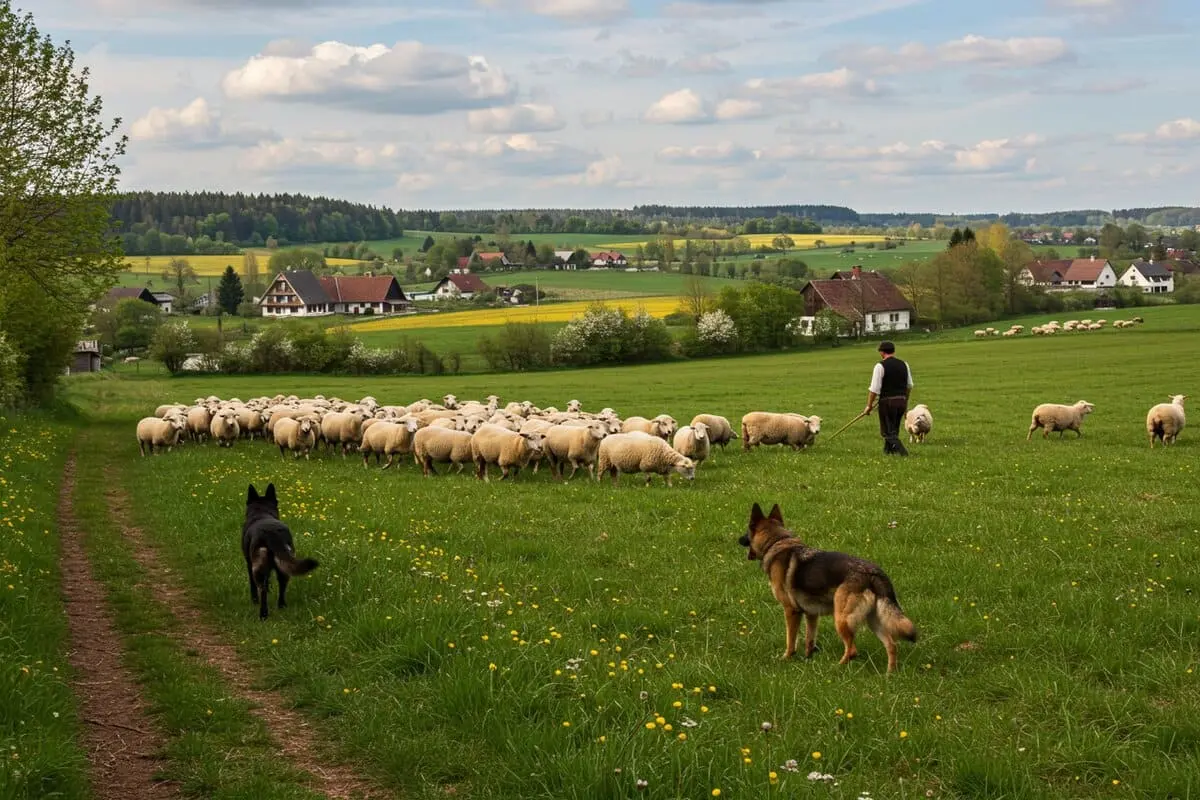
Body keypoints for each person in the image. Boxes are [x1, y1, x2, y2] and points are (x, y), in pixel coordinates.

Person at [863, 340, 912, 456]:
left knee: (887, 432)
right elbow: (909, 386)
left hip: (887, 403)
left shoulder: (880, 366)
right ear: (893, 351)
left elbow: (874, 389)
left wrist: (869, 406)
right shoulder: (904, 364)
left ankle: (903, 453)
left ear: (881, 352)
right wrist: (905, 402)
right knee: (893, 429)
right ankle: (888, 452)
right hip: (901, 401)